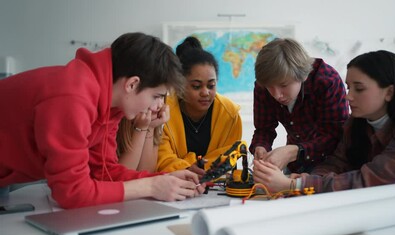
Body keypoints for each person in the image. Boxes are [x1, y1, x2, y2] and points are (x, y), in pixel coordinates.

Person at [0, 32, 205, 209]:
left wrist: (163, 180)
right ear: (133, 84)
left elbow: (104, 174)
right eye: (157, 96)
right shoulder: (73, 97)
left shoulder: (109, 105)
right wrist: (151, 187)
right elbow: (72, 193)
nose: (158, 106)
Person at [253, 50, 395, 193]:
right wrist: (301, 179)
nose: (347, 96)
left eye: (359, 88)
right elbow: (336, 163)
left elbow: (368, 179)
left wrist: (295, 185)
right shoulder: (355, 124)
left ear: (389, 92)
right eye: (349, 87)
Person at [250, 38, 349, 173]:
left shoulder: (327, 81)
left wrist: (292, 152)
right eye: (269, 87)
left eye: (283, 85)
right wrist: (261, 147)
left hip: (331, 163)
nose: (276, 95)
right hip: (295, 163)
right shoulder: (263, 85)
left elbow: (334, 136)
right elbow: (264, 129)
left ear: (303, 75)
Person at [156, 36, 242, 175]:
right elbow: (162, 157)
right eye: (196, 86)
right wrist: (187, 168)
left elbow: (227, 156)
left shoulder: (230, 114)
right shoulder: (163, 110)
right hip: (175, 182)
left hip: (215, 187)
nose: (205, 92)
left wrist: (192, 166)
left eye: (211, 85)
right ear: (180, 86)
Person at [116, 104, 168, 172]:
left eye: (162, 97)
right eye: (154, 97)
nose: (159, 106)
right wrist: (141, 129)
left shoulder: (155, 119)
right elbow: (121, 175)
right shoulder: (115, 120)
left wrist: (150, 127)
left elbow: (147, 172)